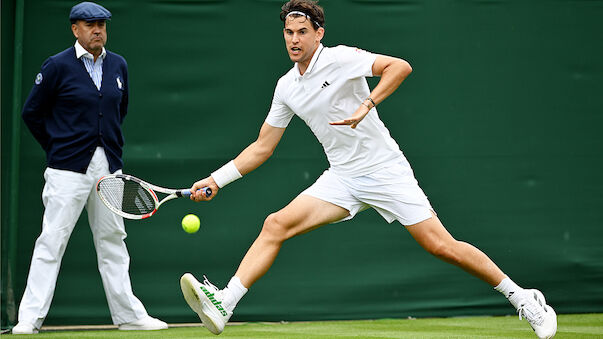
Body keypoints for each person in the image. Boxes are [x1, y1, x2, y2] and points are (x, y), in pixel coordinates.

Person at [180, 1, 557, 338]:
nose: (294, 39)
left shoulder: (341, 58)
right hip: (342, 177)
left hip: (384, 170)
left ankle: (523, 297)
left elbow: (399, 66)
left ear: (318, 34)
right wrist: (218, 179)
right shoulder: (286, 87)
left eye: (302, 32)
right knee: (275, 224)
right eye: (288, 32)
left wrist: (368, 104)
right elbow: (263, 146)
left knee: (441, 246)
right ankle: (226, 302)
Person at [13, 2, 168, 334]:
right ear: (75, 29)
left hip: (108, 167)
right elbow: (32, 113)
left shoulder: (118, 65)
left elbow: (118, 111)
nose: (97, 29)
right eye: (90, 24)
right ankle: (29, 319)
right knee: (51, 240)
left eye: (101, 24)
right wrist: (57, 146)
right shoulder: (56, 66)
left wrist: (103, 147)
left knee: (113, 239)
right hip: (66, 168)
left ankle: (129, 316)